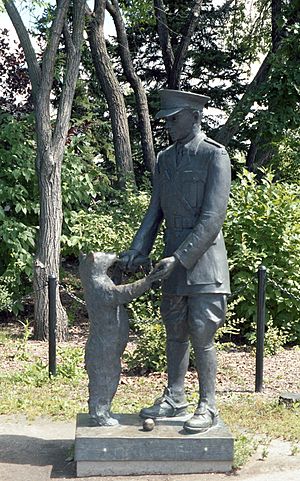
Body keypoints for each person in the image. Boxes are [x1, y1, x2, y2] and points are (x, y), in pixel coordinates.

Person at [120, 89, 231, 433]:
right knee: (175, 332)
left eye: (174, 118)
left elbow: (213, 218)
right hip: (171, 262)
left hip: (202, 263)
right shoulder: (166, 159)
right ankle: (175, 396)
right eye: (166, 119)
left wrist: (180, 259)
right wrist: (138, 249)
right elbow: (155, 211)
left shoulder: (215, 156)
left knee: (201, 332)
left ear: (195, 116)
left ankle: (208, 405)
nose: (167, 124)